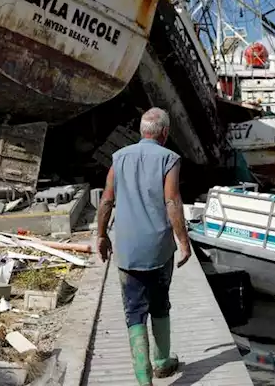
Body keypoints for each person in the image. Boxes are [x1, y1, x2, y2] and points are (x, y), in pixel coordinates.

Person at [96, 107, 192, 385]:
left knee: (133, 310)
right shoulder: (169, 158)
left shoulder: (119, 157)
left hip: (126, 249)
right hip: (159, 249)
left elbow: (106, 201)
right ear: (165, 132)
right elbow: (172, 202)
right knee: (160, 303)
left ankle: (143, 379)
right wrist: (183, 241)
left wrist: (101, 236)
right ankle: (162, 362)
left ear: (142, 131)